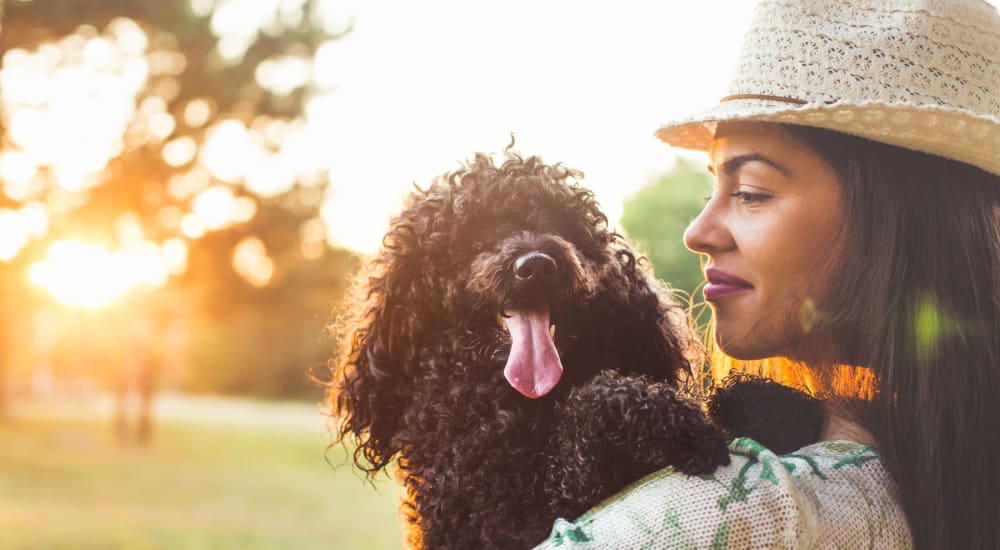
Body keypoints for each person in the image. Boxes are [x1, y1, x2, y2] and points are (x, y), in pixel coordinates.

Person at [534, 0, 1000, 548]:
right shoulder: (948, 476)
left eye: (751, 192)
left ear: (897, 222)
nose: (698, 231)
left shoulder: (733, 513)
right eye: (713, 189)